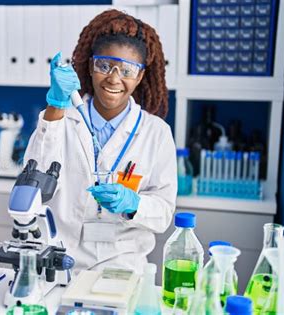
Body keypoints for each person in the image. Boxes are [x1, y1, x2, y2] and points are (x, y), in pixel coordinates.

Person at [24, 9, 177, 273]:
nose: (114, 78)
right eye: (105, 66)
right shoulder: (61, 118)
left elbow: (163, 213)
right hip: (57, 261)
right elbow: (32, 181)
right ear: (91, 66)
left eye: (127, 70)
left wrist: (134, 204)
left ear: (140, 76)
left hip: (122, 266)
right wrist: (55, 106)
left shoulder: (157, 133)